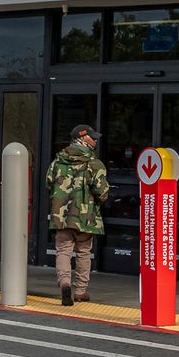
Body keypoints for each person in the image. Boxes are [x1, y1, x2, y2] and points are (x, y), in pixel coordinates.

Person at [44, 123, 109, 306]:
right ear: (81, 138)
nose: (95, 140)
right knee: (83, 252)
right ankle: (80, 291)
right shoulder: (94, 164)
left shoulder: (57, 161)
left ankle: (64, 283)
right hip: (85, 216)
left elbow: (48, 183)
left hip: (61, 215)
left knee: (63, 250)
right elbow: (102, 192)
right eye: (91, 137)